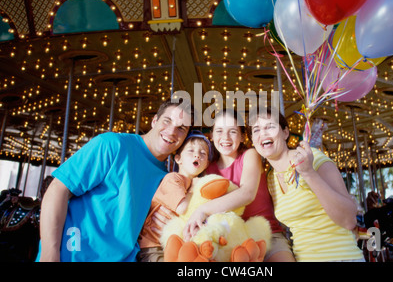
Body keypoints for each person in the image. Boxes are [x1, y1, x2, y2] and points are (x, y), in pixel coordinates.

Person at [37, 98, 193, 262]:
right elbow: (58, 189)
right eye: (167, 121)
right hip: (73, 255)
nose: (172, 131)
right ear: (155, 121)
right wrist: (50, 253)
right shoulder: (112, 144)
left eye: (181, 128)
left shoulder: (166, 179)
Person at [249, 107, 364, 262]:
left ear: (285, 133)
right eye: (256, 130)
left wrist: (309, 173)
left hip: (340, 257)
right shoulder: (271, 178)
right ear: (253, 141)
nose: (263, 133)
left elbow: (349, 220)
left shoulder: (313, 159)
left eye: (270, 126)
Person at [183, 109, 295, 262]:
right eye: (220, 131)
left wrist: (202, 210)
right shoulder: (208, 169)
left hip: (267, 234)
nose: (225, 137)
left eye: (233, 132)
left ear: (242, 136)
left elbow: (247, 193)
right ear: (212, 136)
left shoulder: (250, 155)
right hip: (230, 237)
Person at [137, 131, 213, 262]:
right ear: (178, 159)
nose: (197, 155)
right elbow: (183, 208)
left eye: (203, 153)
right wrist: (194, 189)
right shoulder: (173, 179)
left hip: (176, 246)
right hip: (154, 247)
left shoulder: (196, 185)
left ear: (206, 164)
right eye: (191, 150)